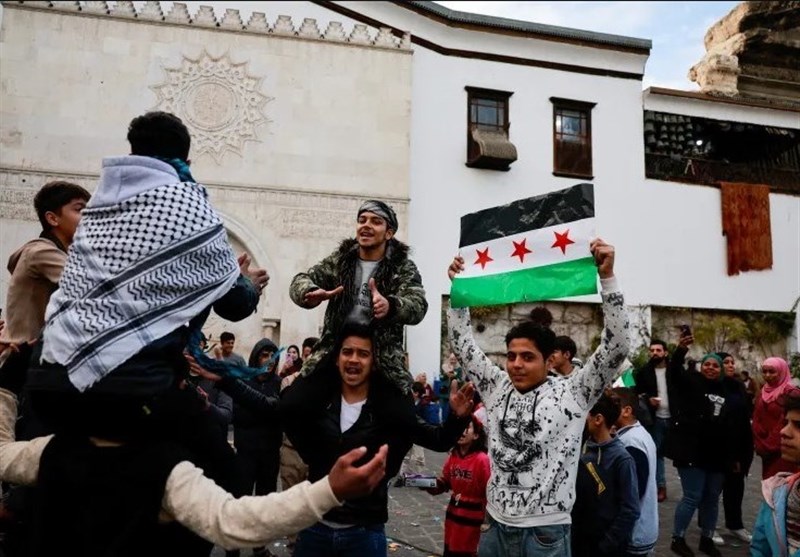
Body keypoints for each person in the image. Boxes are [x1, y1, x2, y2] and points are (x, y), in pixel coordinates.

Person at [0, 375, 389, 555]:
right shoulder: (161, 467)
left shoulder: (52, 449)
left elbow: (4, 454)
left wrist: (4, 384)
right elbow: (233, 521)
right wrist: (329, 490)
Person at [446, 239, 629, 557]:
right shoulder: (496, 386)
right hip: (495, 529)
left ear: (548, 360)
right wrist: (457, 292)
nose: (516, 364)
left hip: (545, 535)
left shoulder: (574, 392)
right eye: (511, 355)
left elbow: (617, 348)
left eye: (527, 357)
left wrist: (608, 280)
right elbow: (463, 345)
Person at [280, 324, 474, 557]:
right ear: (336, 358)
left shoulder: (389, 411)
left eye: (363, 354)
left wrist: (457, 417)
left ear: (374, 362)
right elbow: (285, 415)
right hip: (315, 529)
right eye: (347, 352)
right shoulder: (320, 402)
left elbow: (439, 440)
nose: (354, 359)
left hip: (364, 533)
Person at [289, 200, 427, 393]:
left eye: (375, 221)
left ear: (389, 233)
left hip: (384, 358)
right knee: (291, 404)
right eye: (362, 220)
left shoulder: (402, 267)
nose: (366, 225)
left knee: (402, 418)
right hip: (334, 351)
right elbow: (300, 280)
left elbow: (418, 304)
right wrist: (308, 293)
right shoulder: (340, 260)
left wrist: (391, 305)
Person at [665, 336, 741, 557]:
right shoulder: (691, 382)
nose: (710, 368)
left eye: (715, 365)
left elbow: (732, 425)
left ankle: (706, 539)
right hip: (692, 451)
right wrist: (680, 349)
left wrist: (734, 456)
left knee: (712, 498)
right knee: (692, 496)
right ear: (701, 366)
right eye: (707, 364)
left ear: (720, 369)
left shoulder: (726, 390)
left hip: (717, 454)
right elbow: (673, 373)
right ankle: (677, 539)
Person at [1, 181, 90, 351]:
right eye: (79, 209)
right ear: (52, 218)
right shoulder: (40, 252)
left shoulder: (59, 253)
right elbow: (90, 283)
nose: (88, 216)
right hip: (22, 362)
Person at [573, 393, 640, 557]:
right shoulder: (583, 449)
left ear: (598, 419)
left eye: (587, 415)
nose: (584, 419)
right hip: (582, 541)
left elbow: (630, 509)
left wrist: (607, 544)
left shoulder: (622, 459)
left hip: (606, 547)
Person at [424, 416, 490, 557]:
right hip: (453, 516)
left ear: (476, 435)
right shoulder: (454, 455)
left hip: (473, 519)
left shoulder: (482, 460)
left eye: (467, 427)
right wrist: (428, 484)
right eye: (460, 427)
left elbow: (489, 491)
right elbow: (445, 482)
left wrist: (487, 520)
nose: (462, 431)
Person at [751, 386, 800, 556]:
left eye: (798, 425)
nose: (783, 432)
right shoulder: (777, 493)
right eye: (786, 423)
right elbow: (759, 549)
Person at [612, 387, 659, 557]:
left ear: (627, 411)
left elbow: (633, 493)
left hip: (634, 534)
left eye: (612, 405)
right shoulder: (635, 435)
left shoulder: (631, 442)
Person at [717, 352, 754, 544]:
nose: (731, 365)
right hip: (719, 446)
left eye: (732, 362)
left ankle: (735, 524)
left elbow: (743, 418)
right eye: (726, 362)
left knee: (735, 487)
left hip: (739, 445)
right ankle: (709, 526)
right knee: (714, 489)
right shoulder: (714, 387)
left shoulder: (739, 386)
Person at [634, 338, 675, 502]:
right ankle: (660, 486)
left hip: (674, 418)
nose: (655, 353)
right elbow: (637, 393)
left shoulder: (674, 370)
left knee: (679, 454)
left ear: (665, 352)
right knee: (657, 453)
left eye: (658, 350)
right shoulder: (644, 372)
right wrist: (648, 399)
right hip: (655, 418)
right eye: (652, 350)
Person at [754, 357, 798, 479]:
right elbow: (756, 418)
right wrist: (759, 443)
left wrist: (769, 445)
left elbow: (786, 421)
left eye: (772, 371)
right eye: (764, 371)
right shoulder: (763, 391)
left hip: (783, 449)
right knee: (769, 484)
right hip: (766, 452)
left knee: (782, 483)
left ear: (782, 371)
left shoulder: (791, 394)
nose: (767, 375)